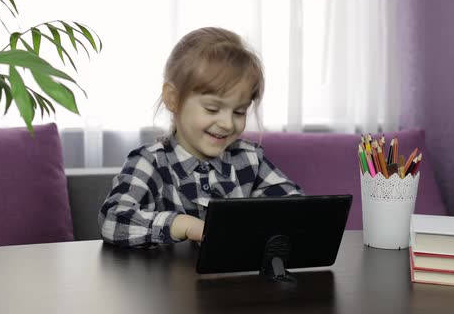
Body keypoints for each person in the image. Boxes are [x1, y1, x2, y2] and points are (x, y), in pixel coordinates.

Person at [99, 27, 303, 247]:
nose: (227, 123)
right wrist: (182, 225)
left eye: (239, 112)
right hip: (166, 281)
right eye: (212, 109)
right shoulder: (150, 163)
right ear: (173, 99)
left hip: (237, 281)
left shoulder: (250, 159)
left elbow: (298, 209)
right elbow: (112, 221)